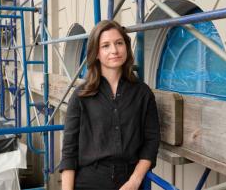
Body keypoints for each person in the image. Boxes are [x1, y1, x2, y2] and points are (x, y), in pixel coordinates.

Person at [59, 20, 160, 190]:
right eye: (105, 45)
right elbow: (69, 151)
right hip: (89, 182)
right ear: (96, 53)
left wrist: (135, 181)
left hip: (129, 182)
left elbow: (151, 141)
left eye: (119, 43)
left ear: (126, 47)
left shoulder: (143, 93)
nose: (114, 50)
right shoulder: (80, 96)